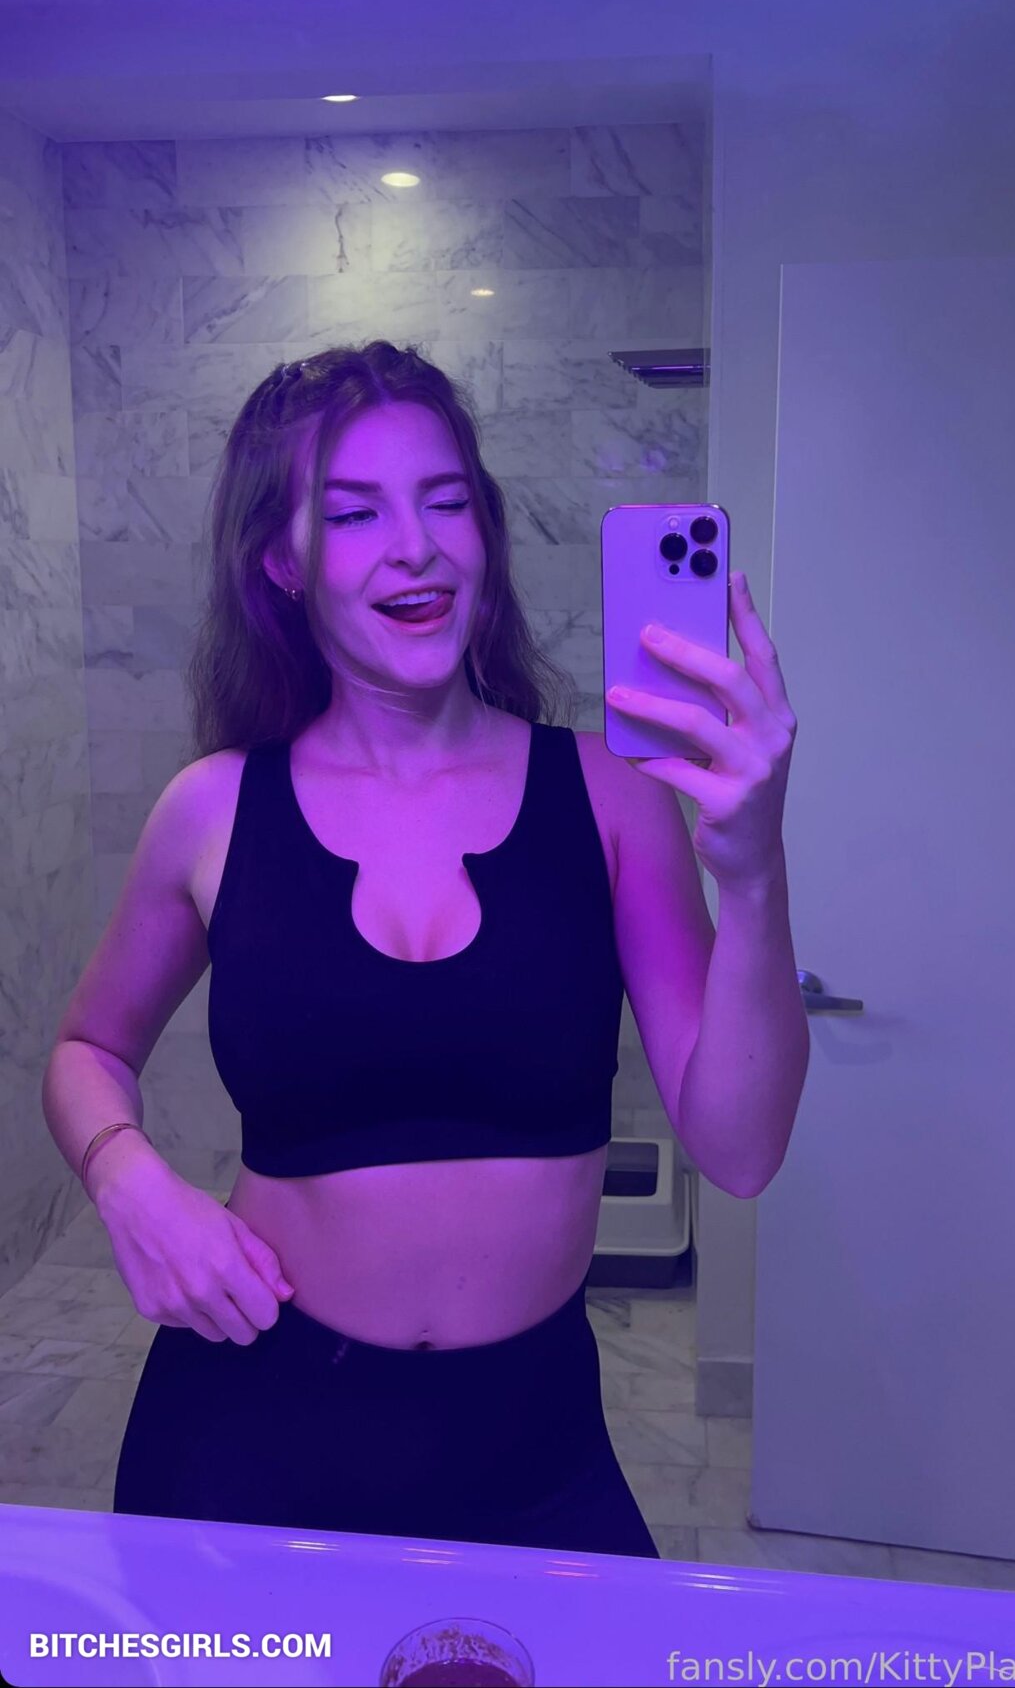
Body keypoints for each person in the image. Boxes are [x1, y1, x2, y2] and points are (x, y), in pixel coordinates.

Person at [42, 341, 716, 1556]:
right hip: (245, 1428)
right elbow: (88, 1047)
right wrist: (126, 1178)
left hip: (532, 1448)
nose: (417, 547)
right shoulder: (211, 809)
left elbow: (742, 1144)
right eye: (353, 513)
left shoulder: (613, 796)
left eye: (446, 501)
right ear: (281, 559)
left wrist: (755, 867)